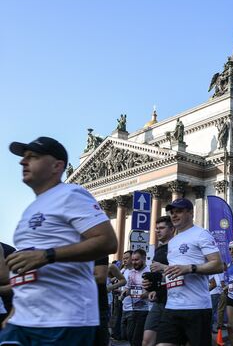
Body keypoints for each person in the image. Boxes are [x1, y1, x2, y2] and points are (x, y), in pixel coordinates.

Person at [0, 136, 117, 345]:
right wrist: (16, 311)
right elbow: (31, 269)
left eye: (33, 157)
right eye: (24, 157)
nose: (22, 162)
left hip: (64, 320)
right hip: (24, 320)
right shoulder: (30, 209)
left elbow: (107, 241)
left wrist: (48, 256)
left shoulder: (71, 194)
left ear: (57, 165)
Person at [155, 198, 223, 346]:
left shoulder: (201, 234)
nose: (174, 215)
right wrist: (160, 279)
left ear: (191, 212)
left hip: (196, 308)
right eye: (172, 212)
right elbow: (175, 270)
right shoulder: (172, 241)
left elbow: (218, 265)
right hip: (171, 307)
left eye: (178, 211)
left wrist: (190, 268)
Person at [142, 216, 175, 346]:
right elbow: (159, 277)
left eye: (161, 228)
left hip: (174, 302)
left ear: (172, 229)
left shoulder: (177, 248)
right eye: (156, 228)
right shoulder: (158, 250)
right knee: (146, 341)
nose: (157, 231)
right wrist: (152, 288)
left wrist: (163, 268)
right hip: (159, 300)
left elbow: (183, 271)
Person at [121, 249, 150, 346]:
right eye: (132, 260)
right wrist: (124, 292)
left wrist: (146, 293)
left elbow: (155, 290)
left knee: (136, 339)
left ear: (144, 259)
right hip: (132, 309)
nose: (134, 262)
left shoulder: (149, 271)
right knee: (129, 335)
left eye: (136, 260)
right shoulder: (131, 272)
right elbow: (128, 287)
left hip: (146, 309)